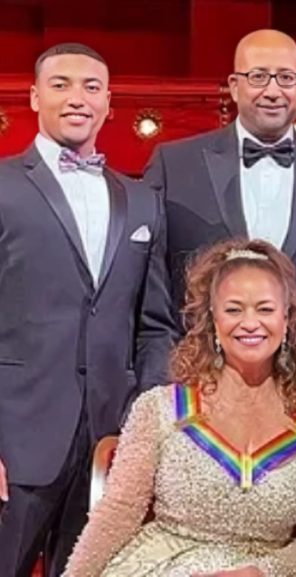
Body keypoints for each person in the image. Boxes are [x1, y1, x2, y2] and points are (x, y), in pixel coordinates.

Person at [64, 239, 296, 577]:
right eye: (234, 309)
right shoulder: (160, 409)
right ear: (213, 320)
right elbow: (119, 512)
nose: (250, 323)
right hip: (166, 566)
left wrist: (261, 571)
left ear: (287, 318)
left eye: (265, 309)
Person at [0, 42, 175, 577]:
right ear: (33, 97)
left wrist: (146, 430)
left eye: (92, 87)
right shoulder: (3, 184)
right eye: (61, 85)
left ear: (108, 104)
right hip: (15, 437)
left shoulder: (141, 199)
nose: (78, 98)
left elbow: (155, 325)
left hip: (108, 439)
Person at [144, 29, 296, 419]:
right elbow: (152, 296)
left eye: (285, 78)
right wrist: (170, 393)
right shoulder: (174, 166)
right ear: (233, 86)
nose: (272, 90)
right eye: (258, 76)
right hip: (195, 399)